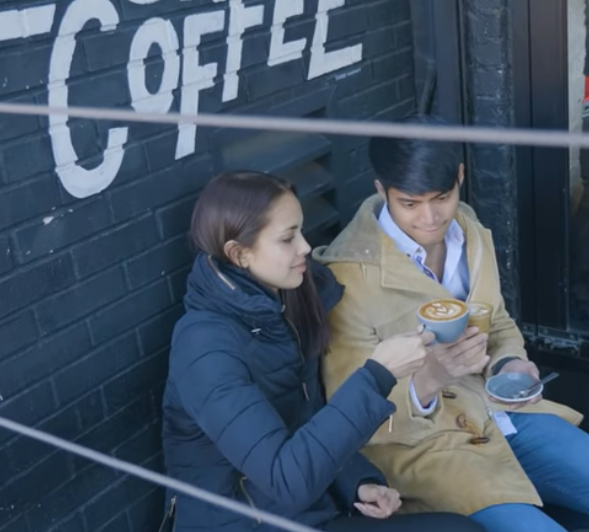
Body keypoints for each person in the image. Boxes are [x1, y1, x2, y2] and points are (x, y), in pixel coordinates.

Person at [314, 119, 589, 532]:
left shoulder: (469, 230)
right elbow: (350, 413)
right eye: (409, 203)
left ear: (460, 176)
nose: (429, 218)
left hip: (499, 412)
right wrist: (428, 381)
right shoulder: (346, 276)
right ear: (380, 189)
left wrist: (509, 363)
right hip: (425, 446)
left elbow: (496, 321)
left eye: (442, 197)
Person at [161, 171, 485, 532]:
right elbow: (285, 478)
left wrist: (359, 482)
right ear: (240, 254)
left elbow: (306, 424)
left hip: (308, 515)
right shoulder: (204, 348)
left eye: (300, 230)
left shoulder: (282, 306)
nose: (304, 247)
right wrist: (377, 374)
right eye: (287, 238)